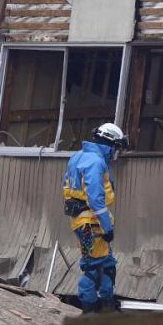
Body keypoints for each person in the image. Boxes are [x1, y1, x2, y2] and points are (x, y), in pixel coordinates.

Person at [63, 123, 128, 313]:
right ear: (109, 144)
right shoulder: (96, 162)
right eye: (116, 148)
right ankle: (89, 313)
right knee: (93, 269)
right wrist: (107, 228)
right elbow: (96, 199)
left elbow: (66, 185)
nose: (116, 153)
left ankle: (106, 308)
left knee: (106, 264)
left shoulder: (77, 157)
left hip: (84, 220)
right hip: (91, 223)